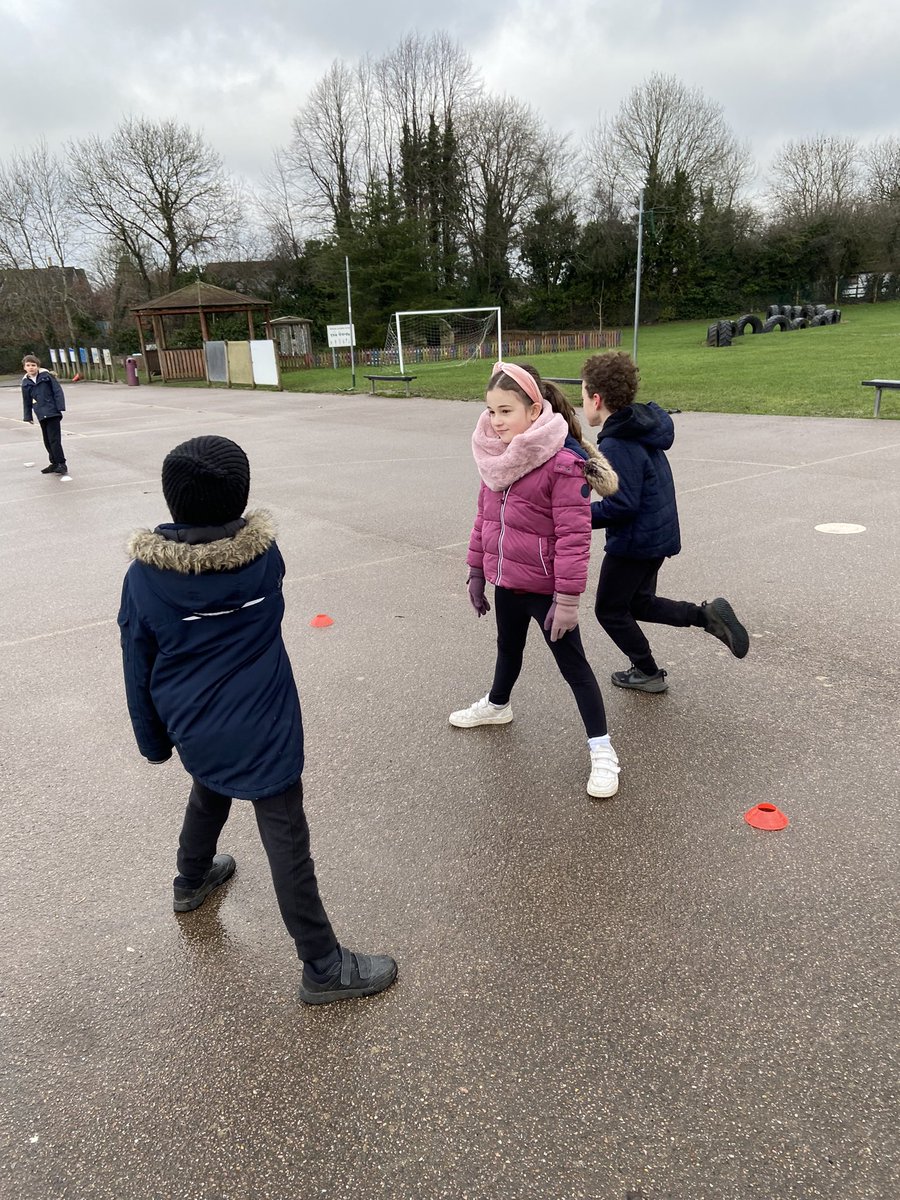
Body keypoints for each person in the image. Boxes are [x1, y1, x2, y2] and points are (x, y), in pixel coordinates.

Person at [118, 434, 397, 1005]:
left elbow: (136, 661)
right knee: (285, 836)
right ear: (239, 498)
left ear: (174, 501)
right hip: (265, 722)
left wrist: (153, 742)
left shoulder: (145, 580)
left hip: (195, 722)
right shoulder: (265, 558)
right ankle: (322, 965)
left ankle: (190, 879)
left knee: (209, 788)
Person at [450, 361, 622, 799]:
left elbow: (574, 537)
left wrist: (567, 599)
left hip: (547, 591)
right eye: (491, 411)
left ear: (534, 410)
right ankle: (497, 704)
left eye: (506, 411)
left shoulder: (562, 463)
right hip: (507, 582)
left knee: (575, 668)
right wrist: (476, 570)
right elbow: (483, 520)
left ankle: (602, 751)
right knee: (508, 649)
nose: (496, 421)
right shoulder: (494, 459)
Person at [580, 351, 749, 693]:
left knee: (610, 611)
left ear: (597, 399)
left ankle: (647, 671)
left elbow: (622, 505)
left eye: (581, 395)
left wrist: (577, 516)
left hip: (634, 543)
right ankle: (707, 616)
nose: (580, 403)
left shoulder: (616, 440)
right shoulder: (639, 424)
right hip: (654, 537)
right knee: (639, 603)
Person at [22, 354, 70, 476]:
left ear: (38, 366)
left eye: (33, 365)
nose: (31, 367)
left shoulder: (46, 377)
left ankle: (61, 463)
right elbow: (26, 400)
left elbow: (57, 391)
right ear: (24, 367)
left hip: (52, 412)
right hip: (41, 413)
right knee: (47, 440)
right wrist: (28, 416)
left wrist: (59, 406)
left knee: (54, 440)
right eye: (28, 365)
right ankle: (54, 463)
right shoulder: (25, 383)